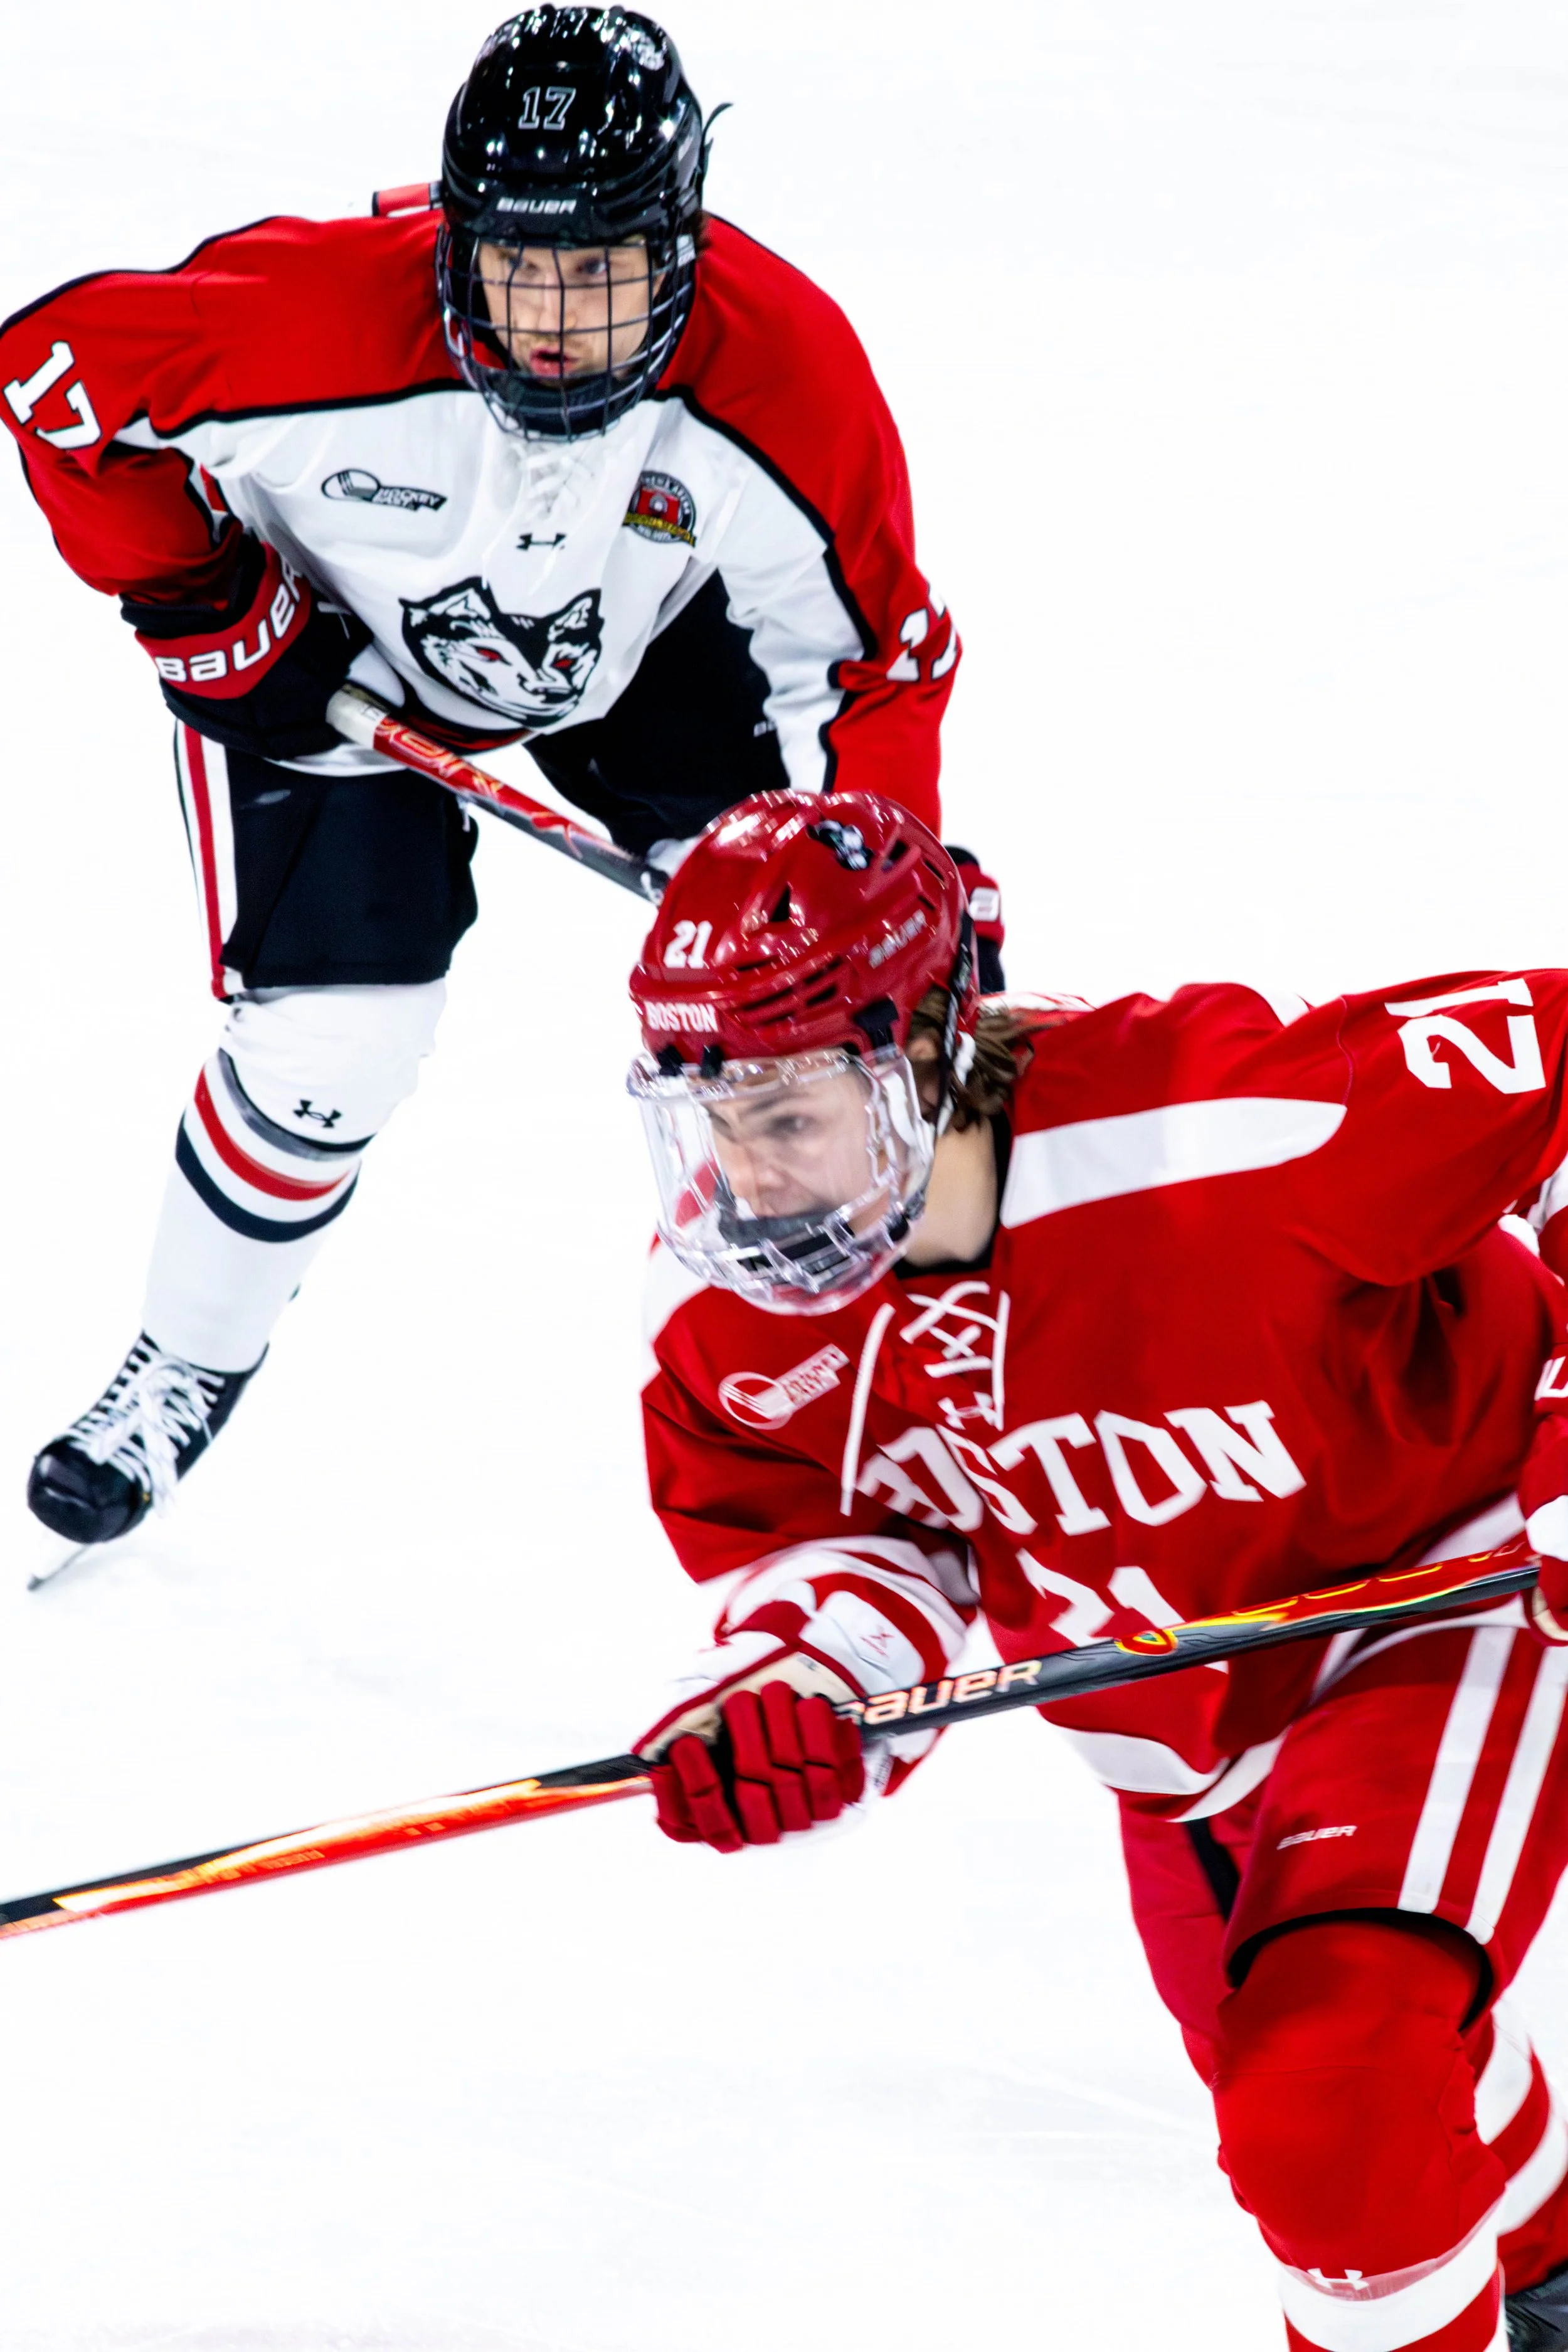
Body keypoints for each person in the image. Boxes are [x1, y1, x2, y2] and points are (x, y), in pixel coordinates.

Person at [0, 6, 973, 1551]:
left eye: (603, 272)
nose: (553, 324)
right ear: (457, 239)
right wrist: (202, 598)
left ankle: (906, 1353)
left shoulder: (776, 366)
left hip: (643, 652)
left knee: (798, 1016)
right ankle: (186, 1358)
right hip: (336, 661)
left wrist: (882, 871)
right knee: (335, 1043)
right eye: (520, 266)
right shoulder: (306, 318)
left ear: (681, 246)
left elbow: (870, 658)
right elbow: (49, 379)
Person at [623, 787, 1568, 2352]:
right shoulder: (731, 1312)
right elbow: (843, 1537)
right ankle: (1540, 2273)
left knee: (1330, 2099)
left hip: (1441, 1585)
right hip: (1169, 1723)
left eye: (786, 1118)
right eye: (709, 1120)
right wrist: (798, 1685)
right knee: (1342, 2117)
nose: (749, 1177)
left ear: (925, 1051)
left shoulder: (1219, 1121)